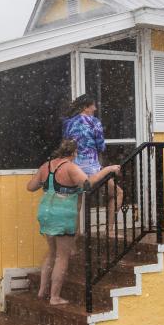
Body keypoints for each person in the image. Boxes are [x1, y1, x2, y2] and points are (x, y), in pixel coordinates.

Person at [26, 139, 119, 305]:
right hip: (62, 214)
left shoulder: (46, 166)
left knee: (51, 252)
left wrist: (48, 182)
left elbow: (31, 187)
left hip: (46, 211)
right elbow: (88, 184)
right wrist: (107, 170)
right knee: (62, 257)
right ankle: (54, 297)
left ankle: (41, 291)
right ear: (74, 153)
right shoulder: (71, 167)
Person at [62, 94, 124, 233]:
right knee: (117, 193)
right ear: (85, 107)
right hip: (91, 167)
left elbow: (65, 145)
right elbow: (101, 146)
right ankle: (110, 231)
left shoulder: (68, 122)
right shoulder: (94, 122)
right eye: (93, 106)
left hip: (73, 167)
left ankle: (74, 241)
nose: (95, 108)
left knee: (76, 205)